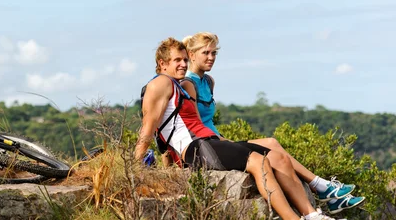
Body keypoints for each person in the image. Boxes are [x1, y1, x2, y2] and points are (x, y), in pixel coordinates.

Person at [135, 37, 340, 220]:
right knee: (258, 162)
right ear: (162, 63)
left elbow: (195, 124)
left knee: (278, 157)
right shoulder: (160, 83)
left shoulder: (180, 85)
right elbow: (149, 127)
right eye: (176, 60)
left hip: (208, 142)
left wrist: (226, 143)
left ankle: (312, 215)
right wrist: (136, 166)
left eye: (184, 60)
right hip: (195, 149)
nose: (182, 64)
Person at [180, 32, 365, 215]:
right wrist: (224, 141)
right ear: (192, 55)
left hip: (218, 139)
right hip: (208, 144)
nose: (211, 57)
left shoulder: (208, 82)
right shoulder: (189, 84)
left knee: (272, 143)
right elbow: (195, 125)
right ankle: (322, 189)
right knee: (273, 155)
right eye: (206, 53)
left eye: (214, 53)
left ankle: (320, 190)